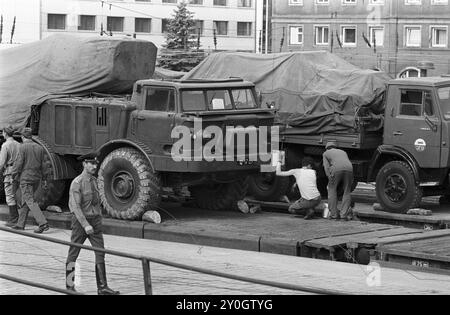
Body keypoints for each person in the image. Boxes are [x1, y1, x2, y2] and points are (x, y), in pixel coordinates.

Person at [65, 152, 119, 295]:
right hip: (81, 222)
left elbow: (98, 203)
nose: (95, 166)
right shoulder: (77, 183)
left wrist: (98, 219)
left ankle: (102, 287)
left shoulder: (95, 181)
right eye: (92, 163)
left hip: (95, 221)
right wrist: (85, 224)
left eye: (96, 163)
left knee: (100, 252)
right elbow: (75, 207)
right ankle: (70, 287)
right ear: (84, 164)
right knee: (73, 253)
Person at [12, 128, 50, 233]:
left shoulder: (22, 147)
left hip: (26, 178)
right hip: (37, 178)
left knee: (29, 200)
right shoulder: (39, 148)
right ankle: (20, 224)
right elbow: (45, 165)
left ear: (23, 137)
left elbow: (19, 163)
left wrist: (13, 174)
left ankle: (43, 223)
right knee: (27, 200)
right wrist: (45, 179)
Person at [322, 141, 354, 221]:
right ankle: (343, 215)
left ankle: (334, 215)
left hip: (336, 169)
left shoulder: (326, 153)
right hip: (349, 168)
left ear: (327, 148)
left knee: (332, 189)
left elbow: (326, 167)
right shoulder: (343, 151)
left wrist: (329, 177)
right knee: (347, 191)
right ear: (335, 147)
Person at [0, 126, 21, 227]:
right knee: (17, 194)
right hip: (18, 172)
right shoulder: (18, 144)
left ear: (5, 133)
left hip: (9, 172)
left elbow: (2, 162)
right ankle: (17, 218)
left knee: (9, 195)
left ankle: (13, 219)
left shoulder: (5, 145)